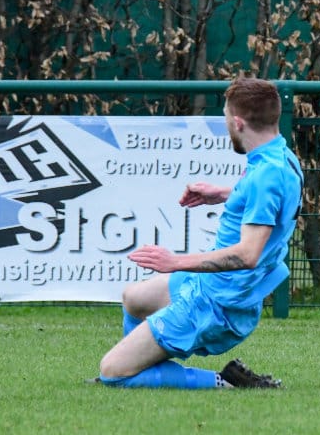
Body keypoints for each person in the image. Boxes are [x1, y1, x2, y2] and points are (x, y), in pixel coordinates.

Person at [91, 77, 303, 389]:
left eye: (226, 117)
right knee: (134, 298)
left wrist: (175, 262)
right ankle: (144, 367)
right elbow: (271, 202)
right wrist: (225, 194)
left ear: (238, 123)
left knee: (112, 372)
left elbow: (248, 255)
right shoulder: (281, 157)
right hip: (211, 286)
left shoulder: (266, 175)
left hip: (219, 303)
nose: (226, 124)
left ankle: (227, 382)